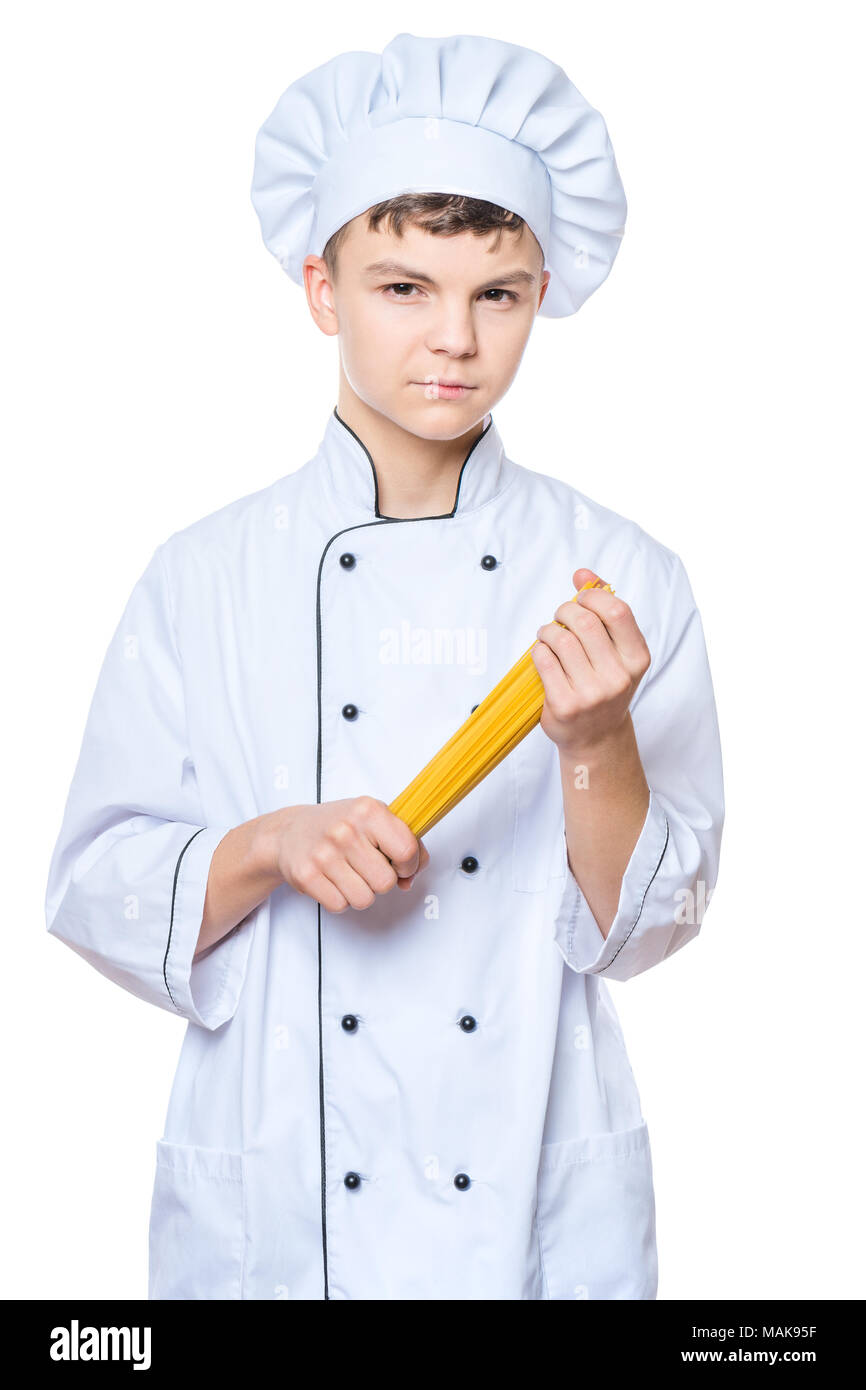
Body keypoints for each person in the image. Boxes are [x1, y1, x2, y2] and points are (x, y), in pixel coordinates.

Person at [44, 32, 724, 1300]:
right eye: (403, 287)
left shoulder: (617, 576)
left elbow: (650, 930)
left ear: (539, 293)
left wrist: (593, 746)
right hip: (281, 1215)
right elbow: (90, 887)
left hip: (530, 1201)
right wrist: (267, 844)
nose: (453, 340)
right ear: (320, 287)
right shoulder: (206, 576)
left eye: (497, 293)